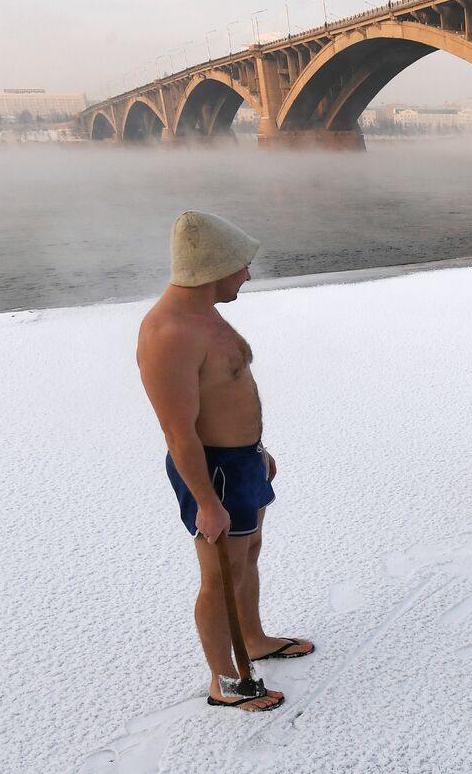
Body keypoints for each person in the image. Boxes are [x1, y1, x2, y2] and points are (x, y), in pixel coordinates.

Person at [137, 211, 313, 712]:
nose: (247, 276)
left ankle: (252, 639)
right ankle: (225, 681)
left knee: (249, 552)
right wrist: (206, 502)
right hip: (211, 471)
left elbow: (225, 391)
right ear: (211, 268)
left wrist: (257, 451)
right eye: (240, 266)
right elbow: (179, 431)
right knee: (220, 573)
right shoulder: (168, 332)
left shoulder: (204, 310)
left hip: (241, 462)